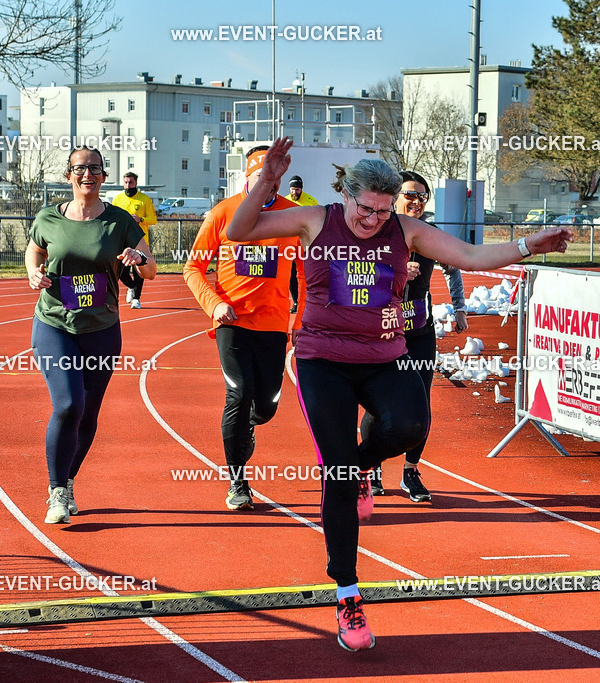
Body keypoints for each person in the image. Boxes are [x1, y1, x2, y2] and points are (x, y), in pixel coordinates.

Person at [225, 137, 571, 652]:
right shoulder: (314, 220)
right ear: (347, 193)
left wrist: (528, 246)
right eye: (367, 209)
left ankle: (364, 465)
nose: (373, 220)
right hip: (323, 361)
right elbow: (239, 230)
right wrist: (268, 184)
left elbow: (470, 255)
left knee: (411, 426)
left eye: (383, 211)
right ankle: (347, 592)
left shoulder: (404, 229)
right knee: (337, 476)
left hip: (383, 356)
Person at [24, 146, 156, 524]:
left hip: (101, 329)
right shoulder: (48, 217)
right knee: (68, 405)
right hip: (54, 323)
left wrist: (139, 259)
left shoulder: (121, 221)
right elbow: (33, 251)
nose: (88, 175)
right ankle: (56, 491)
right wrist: (33, 272)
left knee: (88, 414)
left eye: (95, 169)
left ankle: (67, 481)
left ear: (104, 175)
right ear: (69, 176)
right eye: (80, 169)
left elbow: (152, 271)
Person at [184, 147, 305, 511]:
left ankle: (249, 425)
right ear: (248, 178)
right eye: (262, 179)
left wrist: (301, 322)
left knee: (265, 405)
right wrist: (214, 304)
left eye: (274, 181)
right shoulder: (222, 213)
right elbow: (193, 268)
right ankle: (238, 480)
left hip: (272, 327)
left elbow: (307, 274)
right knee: (237, 395)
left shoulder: (294, 216)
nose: (268, 187)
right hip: (231, 323)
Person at [367, 170, 467, 502]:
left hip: (419, 332)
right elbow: (355, 276)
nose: (416, 202)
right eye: (410, 195)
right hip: (382, 331)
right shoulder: (377, 233)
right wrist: (393, 272)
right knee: (378, 404)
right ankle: (372, 468)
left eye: (422, 197)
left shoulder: (430, 234)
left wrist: (460, 309)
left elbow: (455, 268)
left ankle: (410, 472)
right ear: (395, 198)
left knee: (421, 405)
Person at [112, 172, 157, 309]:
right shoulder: (118, 199)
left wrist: (140, 219)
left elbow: (153, 219)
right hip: (121, 241)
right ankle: (131, 287)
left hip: (140, 241)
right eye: (125, 182)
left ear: (135, 183)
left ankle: (137, 298)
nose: (127, 185)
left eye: (130, 182)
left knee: (139, 270)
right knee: (122, 271)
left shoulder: (144, 200)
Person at [286, 176, 318, 313]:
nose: (294, 192)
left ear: (301, 189)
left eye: (297, 189)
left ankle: (307, 303)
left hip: (305, 243)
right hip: (289, 243)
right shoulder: (285, 200)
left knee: (306, 274)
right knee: (290, 274)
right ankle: (296, 302)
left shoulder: (311, 201)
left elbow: (317, 221)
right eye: (292, 189)